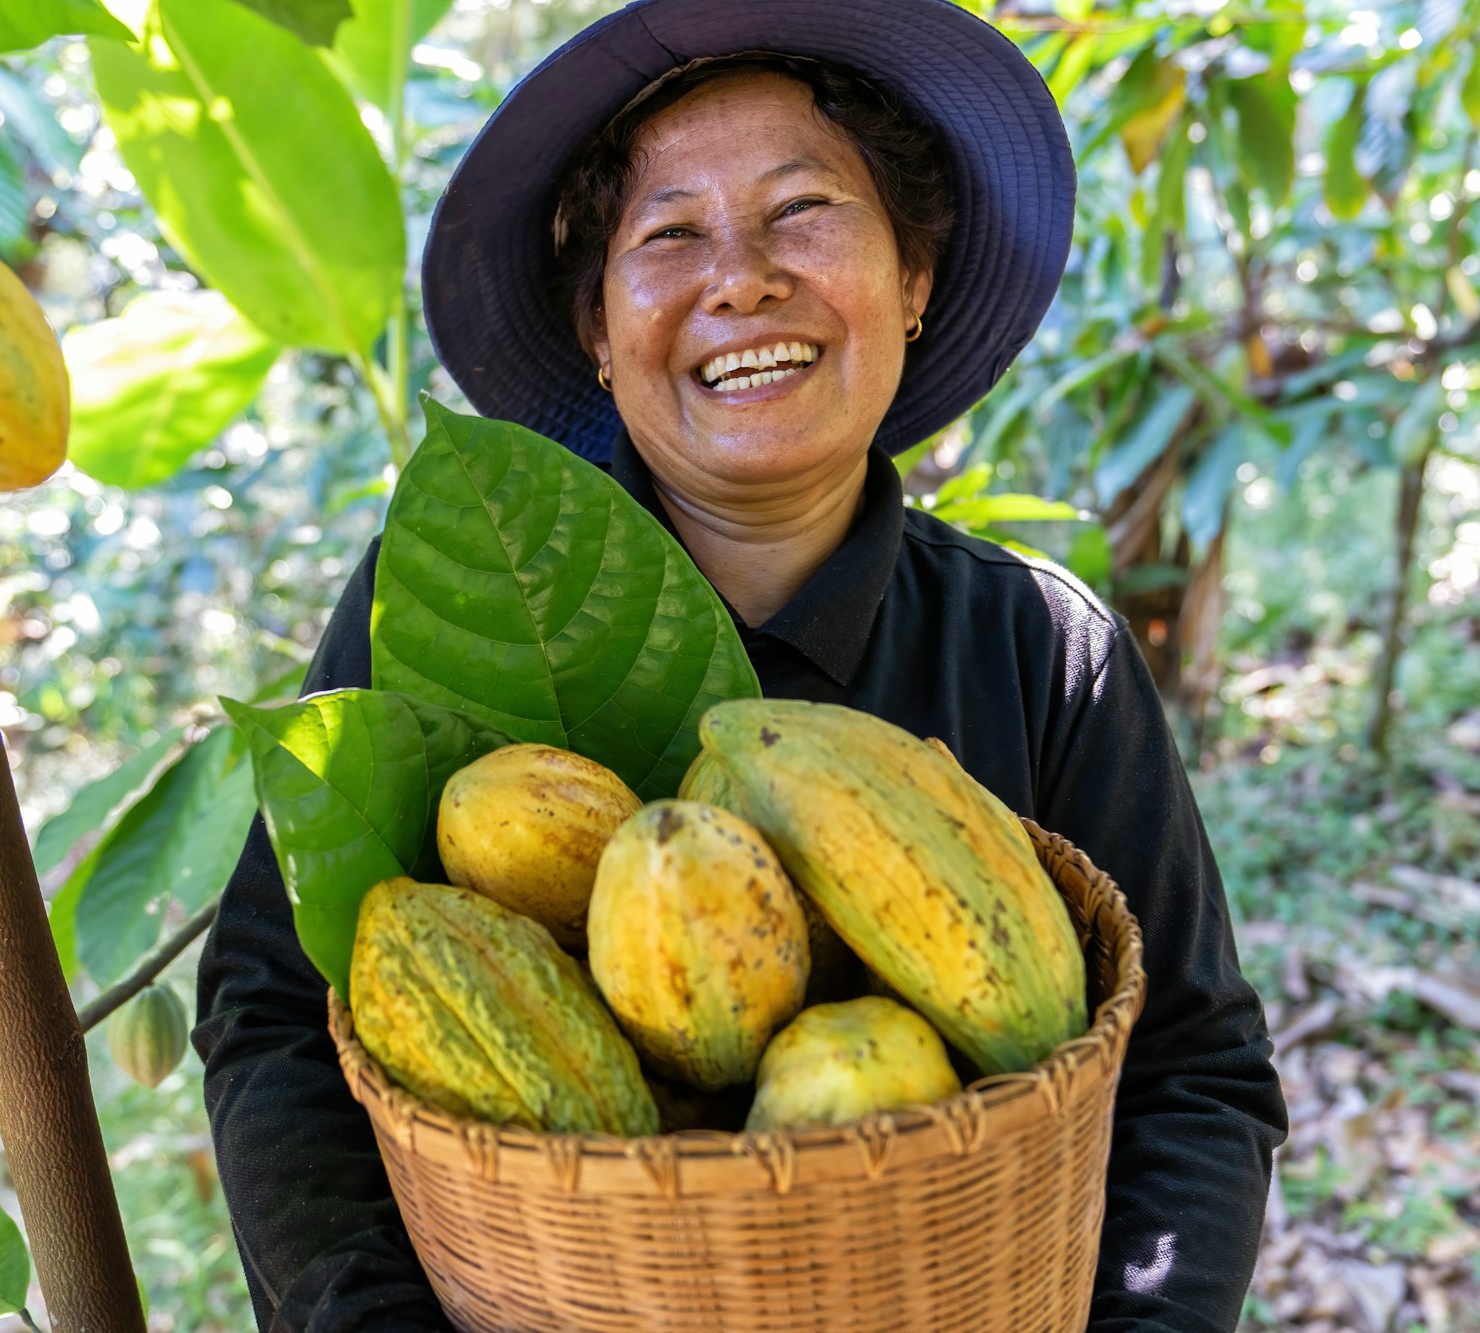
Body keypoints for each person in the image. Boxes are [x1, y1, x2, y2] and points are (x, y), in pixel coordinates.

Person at [195, 0, 1288, 1328]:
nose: (741, 279)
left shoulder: (1041, 650)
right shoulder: (452, 609)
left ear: (916, 279)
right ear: (599, 327)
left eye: (802, 212)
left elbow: (1192, 1069)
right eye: (668, 234)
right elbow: (274, 1014)